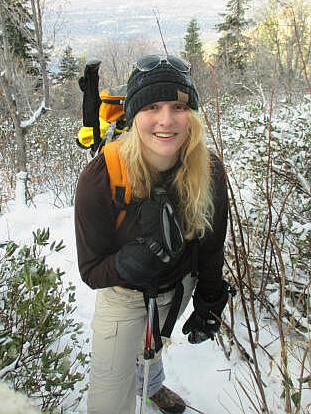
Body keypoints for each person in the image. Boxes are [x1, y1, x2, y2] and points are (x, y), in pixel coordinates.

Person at [75, 54, 229, 414]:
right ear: (134, 114)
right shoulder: (101, 178)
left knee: (153, 346)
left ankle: (153, 387)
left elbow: (210, 244)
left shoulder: (208, 170)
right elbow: (91, 269)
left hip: (177, 288)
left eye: (178, 106)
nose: (166, 120)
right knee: (108, 401)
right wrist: (126, 266)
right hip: (123, 295)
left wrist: (209, 299)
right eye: (152, 107)